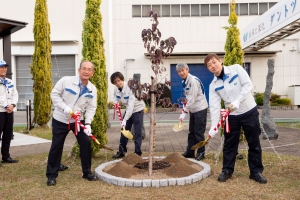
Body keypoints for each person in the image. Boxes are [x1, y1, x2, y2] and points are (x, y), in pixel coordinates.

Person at [204, 53, 267, 184]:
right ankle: (227, 170)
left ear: (220, 61)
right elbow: (214, 107)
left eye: (214, 62)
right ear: (208, 69)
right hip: (231, 116)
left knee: (253, 142)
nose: (213, 66)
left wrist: (238, 100)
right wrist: (213, 126)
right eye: (209, 65)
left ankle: (256, 172)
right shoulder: (213, 85)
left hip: (248, 110)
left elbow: (248, 85)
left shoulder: (236, 69)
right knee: (229, 144)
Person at [46, 60, 97, 186]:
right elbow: (54, 94)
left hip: (78, 120)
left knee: (85, 142)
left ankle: (87, 172)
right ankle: (52, 175)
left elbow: (91, 107)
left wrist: (88, 124)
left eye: (89, 69)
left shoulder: (92, 89)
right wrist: (64, 108)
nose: (86, 71)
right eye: (84, 68)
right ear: (79, 70)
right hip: (61, 119)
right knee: (57, 146)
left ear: (92, 73)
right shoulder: (66, 81)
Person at [176, 63, 208, 161]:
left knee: (199, 132)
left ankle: (201, 152)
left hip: (200, 109)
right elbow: (188, 97)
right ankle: (190, 152)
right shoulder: (185, 81)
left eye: (183, 70)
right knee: (192, 132)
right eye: (179, 71)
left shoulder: (193, 81)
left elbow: (192, 99)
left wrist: (184, 112)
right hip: (193, 110)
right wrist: (185, 109)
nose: (181, 73)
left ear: (187, 69)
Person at [110, 72, 145, 158]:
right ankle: (122, 151)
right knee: (124, 130)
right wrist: (115, 103)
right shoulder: (117, 89)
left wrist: (124, 120)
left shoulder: (130, 88)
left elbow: (130, 106)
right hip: (129, 109)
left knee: (137, 132)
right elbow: (115, 98)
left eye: (119, 80)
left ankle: (137, 153)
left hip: (137, 109)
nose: (118, 83)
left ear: (122, 79)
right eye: (115, 82)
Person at [0, 60, 19, 164]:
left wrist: (12, 105)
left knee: (7, 135)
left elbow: (15, 94)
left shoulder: (10, 81)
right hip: (0, 111)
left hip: (9, 112)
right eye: (1, 67)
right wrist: (6, 105)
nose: (4, 69)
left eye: (5, 67)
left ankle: (6, 156)